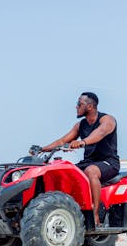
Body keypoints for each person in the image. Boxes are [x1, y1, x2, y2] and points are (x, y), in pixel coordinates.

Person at [41, 92, 120, 226]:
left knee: (91, 171)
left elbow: (99, 133)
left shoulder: (107, 120)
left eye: (79, 104)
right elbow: (62, 140)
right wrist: (43, 149)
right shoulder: (80, 125)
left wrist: (82, 142)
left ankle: (95, 215)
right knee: (64, 172)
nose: (76, 107)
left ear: (89, 107)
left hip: (108, 162)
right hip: (88, 162)